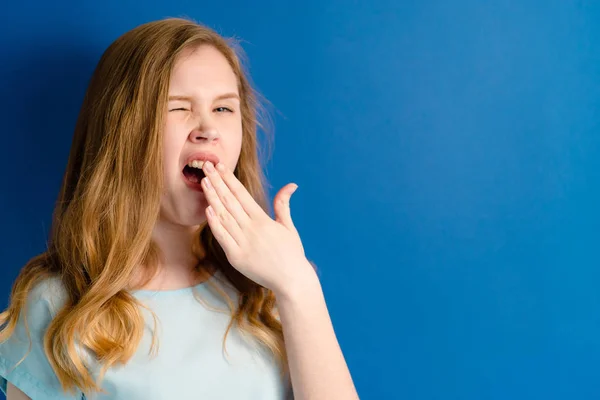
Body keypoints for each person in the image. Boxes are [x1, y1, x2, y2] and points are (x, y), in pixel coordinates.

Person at [0, 17, 359, 400]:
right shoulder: (56, 306)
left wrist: (298, 285)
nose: (208, 128)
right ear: (122, 133)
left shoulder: (269, 285)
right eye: (178, 108)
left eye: (224, 109)